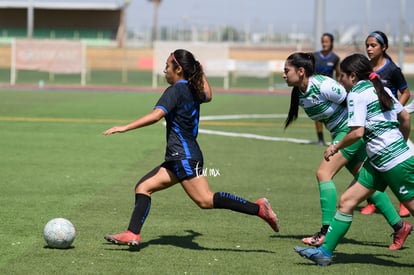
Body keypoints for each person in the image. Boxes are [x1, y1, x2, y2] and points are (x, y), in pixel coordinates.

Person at [102, 49, 279, 247]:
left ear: (178, 69)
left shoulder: (176, 90)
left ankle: (258, 209)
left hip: (183, 156)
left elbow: (155, 116)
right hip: (181, 156)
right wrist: (200, 70)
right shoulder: (193, 88)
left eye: (167, 66)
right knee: (143, 187)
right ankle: (132, 233)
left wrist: (124, 127)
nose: (164, 70)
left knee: (205, 200)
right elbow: (209, 95)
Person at [294, 53, 414, 266]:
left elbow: (357, 132)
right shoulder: (381, 89)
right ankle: (324, 253)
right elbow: (404, 117)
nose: (339, 80)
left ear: (353, 76)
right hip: (379, 162)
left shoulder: (357, 94)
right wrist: (401, 142)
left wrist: (335, 146)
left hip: (393, 162)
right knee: (347, 202)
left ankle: (325, 239)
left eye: (342, 76)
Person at [360, 30, 411, 217]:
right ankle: (372, 201)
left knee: (395, 164)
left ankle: (404, 201)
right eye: (367, 45)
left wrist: (395, 110)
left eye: (373, 45)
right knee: (371, 161)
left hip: (389, 125)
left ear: (384, 47)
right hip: (371, 124)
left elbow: (405, 92)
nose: (369, 49)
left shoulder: (392, 70)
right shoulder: (364, 69)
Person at [313, 33, 341, 146]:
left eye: (327, 41)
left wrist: (339, 87)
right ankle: (320, 140)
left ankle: (335, 138)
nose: (324, 44)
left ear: (331, 43)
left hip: (329, 91)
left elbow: (339, 74)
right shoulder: (314, 56)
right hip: (316, 90)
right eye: (323, 41)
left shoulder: (335, 58)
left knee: (332, 114)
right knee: (317, 114)